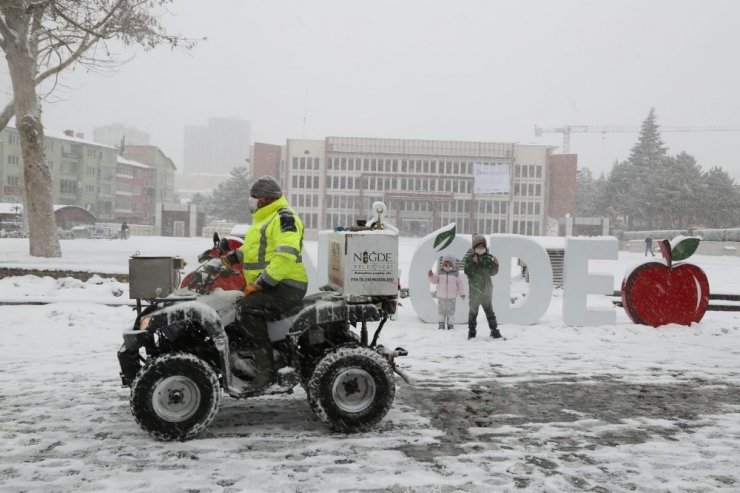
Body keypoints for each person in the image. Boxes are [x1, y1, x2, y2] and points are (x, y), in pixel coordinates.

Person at [221, 176, 308, 389]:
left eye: (255, 197)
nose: (251, 200)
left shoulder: (284, 219)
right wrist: (232, 258)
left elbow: (285, 257)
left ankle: (264, 371)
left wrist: (261, 284)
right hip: (274, 284)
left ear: (267, 199)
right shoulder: (264, 219)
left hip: (287, 284)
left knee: (246, 310)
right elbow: (255, 251)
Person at [463, 234, 503, 340]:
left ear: (485, 247)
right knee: (473, 313)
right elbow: (468, 271)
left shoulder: (488, 258)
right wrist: (474, 263)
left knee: (490, 313)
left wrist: (495, 264)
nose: (480, 249)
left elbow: (492, 272)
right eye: (478, 247)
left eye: (482, 247)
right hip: (474, 292)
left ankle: (494, 331)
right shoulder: (469, 259)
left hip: (486, 292)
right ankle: (471, 332)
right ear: (474, 248)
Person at [428, 254, 467, 330]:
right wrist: (431, 276)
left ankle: (450, 325)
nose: (447, 266)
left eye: (449, 264)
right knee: (441, 312)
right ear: (443, 264)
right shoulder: (439, 272)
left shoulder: (456, 273)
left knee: (451, 312)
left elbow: (460, 284)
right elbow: (434, 281)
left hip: (452, 297)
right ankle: (441, 324)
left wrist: (462, 293)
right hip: (441, 296)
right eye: (445, 264)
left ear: (453, 264)